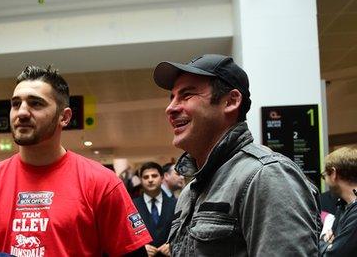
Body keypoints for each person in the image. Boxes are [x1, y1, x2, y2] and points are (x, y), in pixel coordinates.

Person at [0, 65, 152, 256]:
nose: (22, 112)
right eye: (16, 104)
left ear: (64, 117)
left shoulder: (103, 183)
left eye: (36, 104)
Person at [152, 54, 321, 256]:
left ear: (231, 101)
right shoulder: (190, 192)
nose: (170, 108)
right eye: (172, 98)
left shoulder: (266, 175)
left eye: (186, 95)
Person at [133, 162, 177, 257]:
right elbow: (127, 235)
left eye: (154, 176)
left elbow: (182, 231)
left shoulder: (175, 204)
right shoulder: (132, 206)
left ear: (161, 178)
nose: (150, 180)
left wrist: (173, 245)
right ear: (140, 180)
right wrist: (140, 249)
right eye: (146, 177)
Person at [319, 146, 357, 256]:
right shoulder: (343, 205)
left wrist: (321, 242)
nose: (325, 181)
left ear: (334, 173)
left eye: (324, 176)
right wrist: (327, 244)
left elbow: (332, 254)